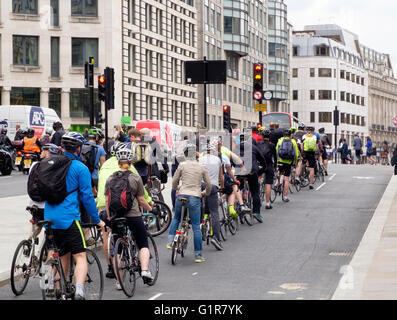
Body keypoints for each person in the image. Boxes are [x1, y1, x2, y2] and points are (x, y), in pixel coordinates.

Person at [44, 132, 105, 300]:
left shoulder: (49, 164)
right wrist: (98, 221)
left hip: (48, 217)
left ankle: (57, 289)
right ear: (79, 149)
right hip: (68, 218)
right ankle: (79, 290)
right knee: (80, 255)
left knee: (62, 254)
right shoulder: (80, 168)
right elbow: (87, 197)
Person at [96, 141, 154, 279]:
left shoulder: (109, 176)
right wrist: (150, 208)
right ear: (130, 162)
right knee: (143, 242)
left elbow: (107, 199)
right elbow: (141, 199)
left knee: (116, 246)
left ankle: (118, 280)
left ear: (118, 162)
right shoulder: (134, 176)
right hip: (133, 214)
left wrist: (110, 216)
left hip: (115, 214)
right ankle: (145, 270)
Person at [168, 144, 212, 263]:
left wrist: (177, 188)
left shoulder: (182, 165)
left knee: (176, 218)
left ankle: (171, 241)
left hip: (182, 195)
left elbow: (174, 181)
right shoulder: (201, 166)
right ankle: (198, 255)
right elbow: (208, 184)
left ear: (186, 155)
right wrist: (205, 193)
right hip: (194, 197)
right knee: (196, 227)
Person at [27, 144, 63, 238]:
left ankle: (29, 242)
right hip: (46, 205)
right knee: (50, 232)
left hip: (33, 203)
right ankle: (48, 249)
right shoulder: (54, 166)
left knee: (36, 224)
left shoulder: (35, 165)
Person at [233, 132, 267, 222]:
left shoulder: (235, 148)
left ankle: (239, 205)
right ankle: (256, 213)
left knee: (238, 189)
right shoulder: (254, 148)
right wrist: (260, 171)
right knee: (255, 192)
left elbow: (231, 160)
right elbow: (262, 160)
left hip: (240, 172)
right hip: (252, 172)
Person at [199, 143, 224, 251]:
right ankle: (216, 238)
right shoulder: (217, 160)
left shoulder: (200, 159)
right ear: (213, 151)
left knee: (201, 207)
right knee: (214, 212)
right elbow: (221, 176)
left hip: (201, 185)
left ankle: (201, 225)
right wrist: (221, 186)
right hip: (213, 186)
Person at [276, 129, 299, 200]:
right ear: (290, 135)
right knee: (286, 179)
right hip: (288, 162)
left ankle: (278, 183)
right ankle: (285, 196)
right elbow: (296, 154)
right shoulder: (293, 141)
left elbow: (277, 150)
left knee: (280, 173)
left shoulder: (280, 140)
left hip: (280, 161)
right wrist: (295, 163)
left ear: (283, 135)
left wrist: (277, 160)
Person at [257, 129, 277, 209]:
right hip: (268, 165)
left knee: (256, 181)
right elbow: (275, 157)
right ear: (269, 137)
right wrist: (275, 166)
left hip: (260, 165)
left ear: (262, 136)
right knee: (268, 184)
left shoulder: (258, 144)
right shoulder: (272, 145)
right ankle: (268, 203)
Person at [82, 129, 107, 194]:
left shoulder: (82, 147)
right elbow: (103, 166)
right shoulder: (100, 149)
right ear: (97, 138)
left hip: (83, 176)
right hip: (95, 177)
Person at [171, 131, 190, 210]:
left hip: (175, 166)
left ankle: (174, 206)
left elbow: (172, 155)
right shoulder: (188, 143)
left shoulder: (174, 143)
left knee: (174, 186)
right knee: (187, 185)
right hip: (185, 166)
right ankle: (185, 205)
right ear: (187, 136)